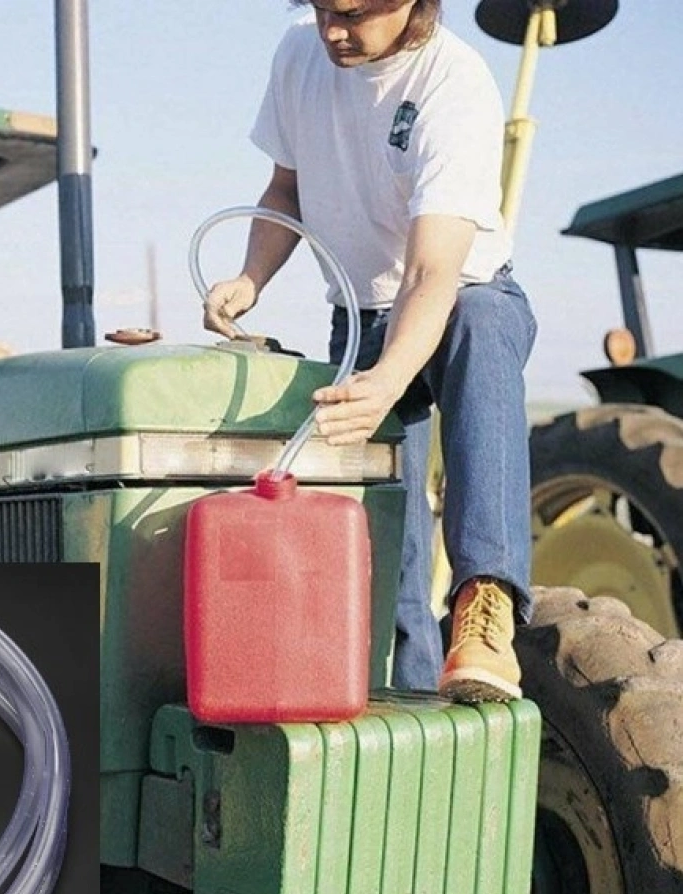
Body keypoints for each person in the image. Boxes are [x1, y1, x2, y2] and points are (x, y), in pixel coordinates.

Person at [203, 0, 537, 703]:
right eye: (322, 8)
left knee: (480, 326)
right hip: (358, 315)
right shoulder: (300, 51)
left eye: (352, 14)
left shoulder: (454, 83)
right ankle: (406, 699)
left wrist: (389, 380)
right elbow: (286, 186)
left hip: (459, 297)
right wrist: (251, 277)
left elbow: (431, 273)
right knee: (390, 548)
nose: (332, 31)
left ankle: (486, 603)